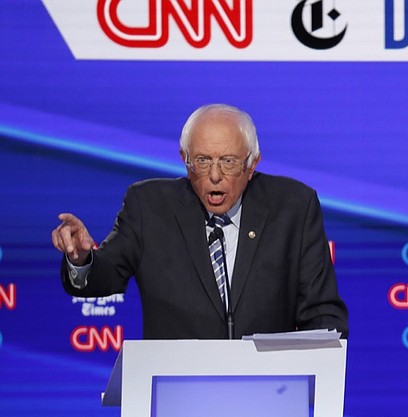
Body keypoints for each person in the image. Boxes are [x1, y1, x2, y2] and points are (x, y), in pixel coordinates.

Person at [52, 103, 347, 340]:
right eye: (203, 161)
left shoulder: (293, 207)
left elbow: (323, 314)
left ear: (252, 164)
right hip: (176, 393)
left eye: (229, 161)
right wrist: (82, 259)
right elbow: (106, 275)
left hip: (273, 393)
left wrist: (310, 372)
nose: (215, 175)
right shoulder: (149, 206)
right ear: (185, 160)